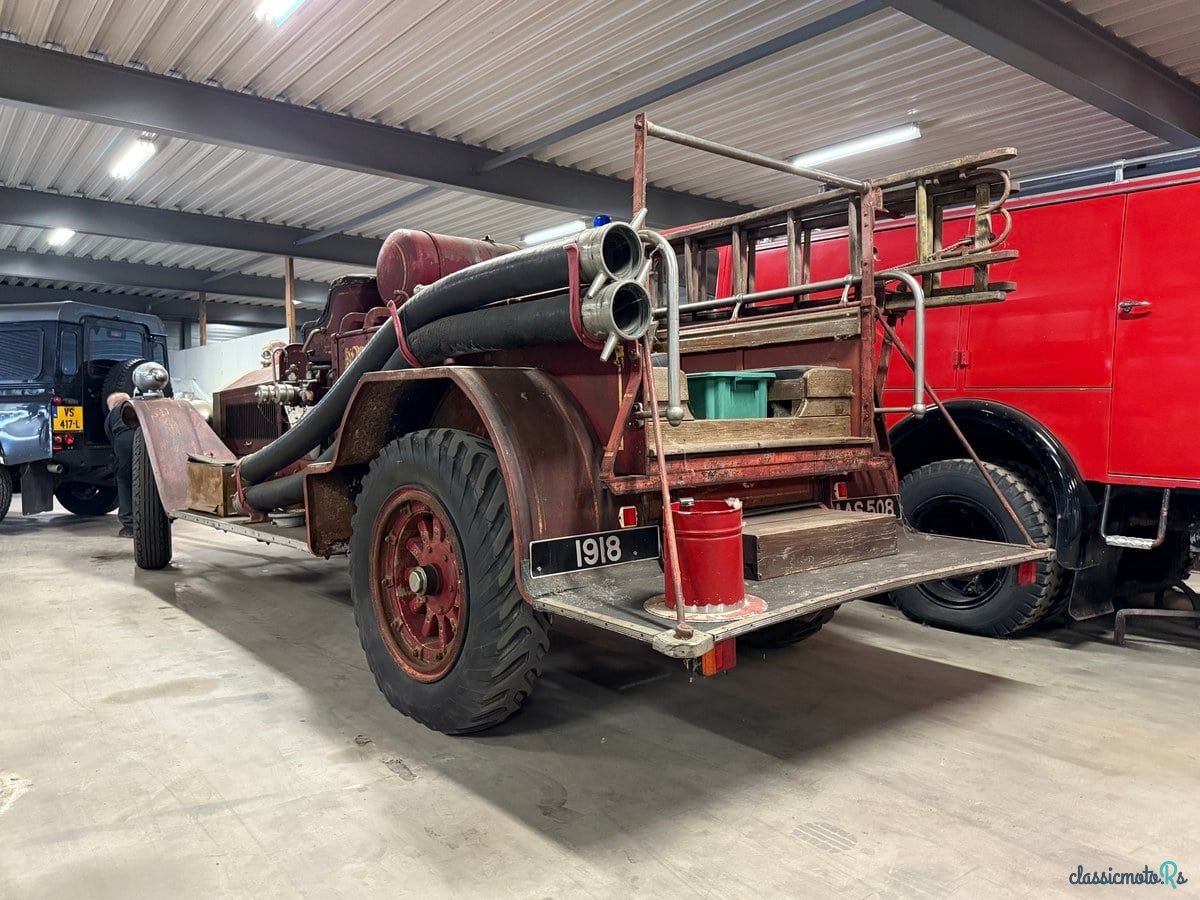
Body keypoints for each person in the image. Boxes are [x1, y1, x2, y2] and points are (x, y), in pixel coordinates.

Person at [104, 392, 136, 538]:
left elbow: (111, 436)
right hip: (146, 440)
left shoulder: (112, 415)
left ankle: (129, 526)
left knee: (124, 480)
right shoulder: (137, 406)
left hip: (124, 444)